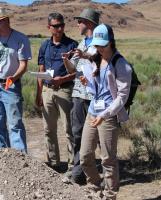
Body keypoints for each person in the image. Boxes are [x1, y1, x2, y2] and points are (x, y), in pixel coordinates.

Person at [79, 24, 132, 199]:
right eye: (98, 44)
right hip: (93, 112)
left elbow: (122, 97)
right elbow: (99, 88)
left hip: (108, 116)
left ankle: (110, 195)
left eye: (103, 44)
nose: (100, 48)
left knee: (108, 159)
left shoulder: (121, 64)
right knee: (85, 155)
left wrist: (105, 115)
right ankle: (94, 186)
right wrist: (88, 83)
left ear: (111, 41)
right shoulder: (96, 58)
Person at [0, 7, 32, 152]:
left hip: (10, 85)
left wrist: (14, 77)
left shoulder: (20, 39)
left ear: (6, 21)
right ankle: (1, 157)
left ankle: (20, 159)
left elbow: (23, 64)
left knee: (15, 123)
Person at [61, 8, 100, 184]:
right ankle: (78, 173)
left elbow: (103, 64)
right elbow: (73, 70)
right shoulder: (81, 42)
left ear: (89, 23)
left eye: (80, 21)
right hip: (78, 94)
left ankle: (102, 172)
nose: (77, 24)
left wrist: (85, 56)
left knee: (97, 136)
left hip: (95, 96)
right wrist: (66, 61)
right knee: (77, 133)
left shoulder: (101, 43)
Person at [36, 12, 78, 170]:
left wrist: (63, 79)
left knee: (69, 129)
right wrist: (39, 92)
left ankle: (73, 165)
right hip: (47, 90)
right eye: (55, 26)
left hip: (65, 90)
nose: (59, 29)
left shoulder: (72, 45)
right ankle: (53, 164)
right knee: (48, 129)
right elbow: (41, 69)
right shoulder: (44, 45)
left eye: (61, 25)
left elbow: (77, 72)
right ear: (49, 27)